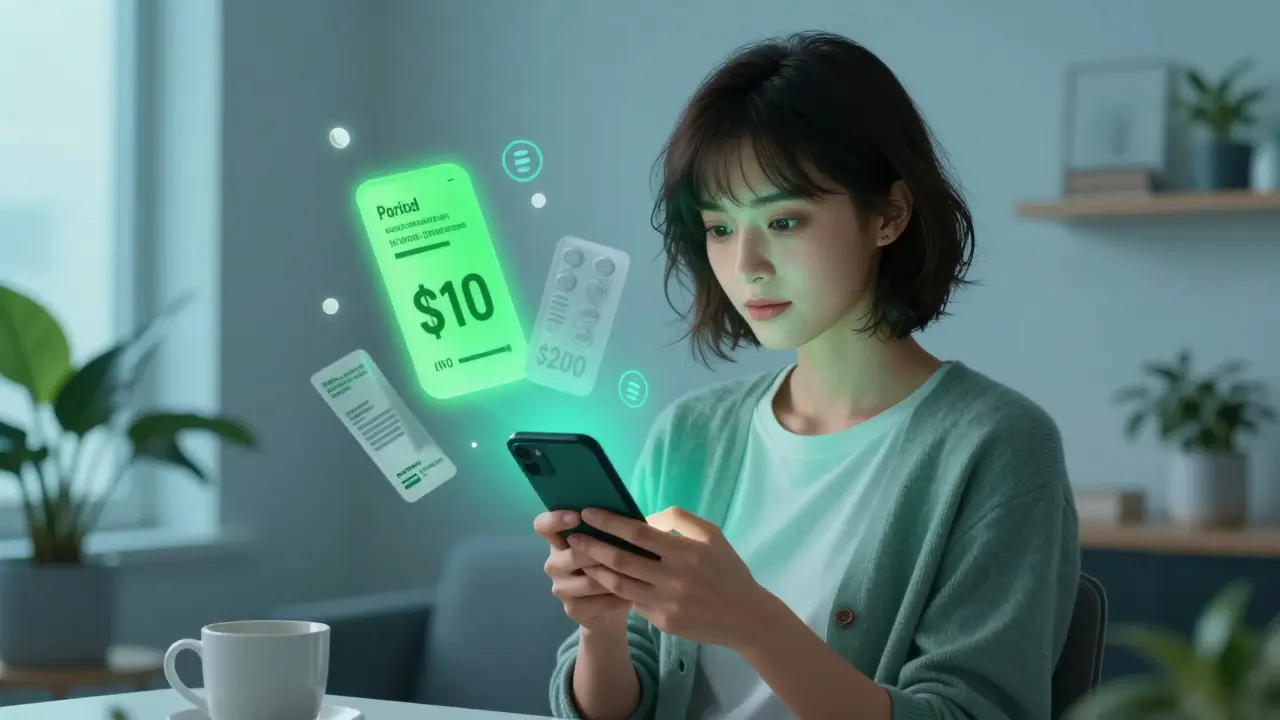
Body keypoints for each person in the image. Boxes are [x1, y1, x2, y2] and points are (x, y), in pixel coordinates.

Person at [533, 30, 1080, 720]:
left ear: (889, 215)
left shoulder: (998, 447)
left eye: (785, 221)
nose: (746, 265)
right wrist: (602, 629)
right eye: (720, 228)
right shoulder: (691, 434)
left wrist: (751, 621)